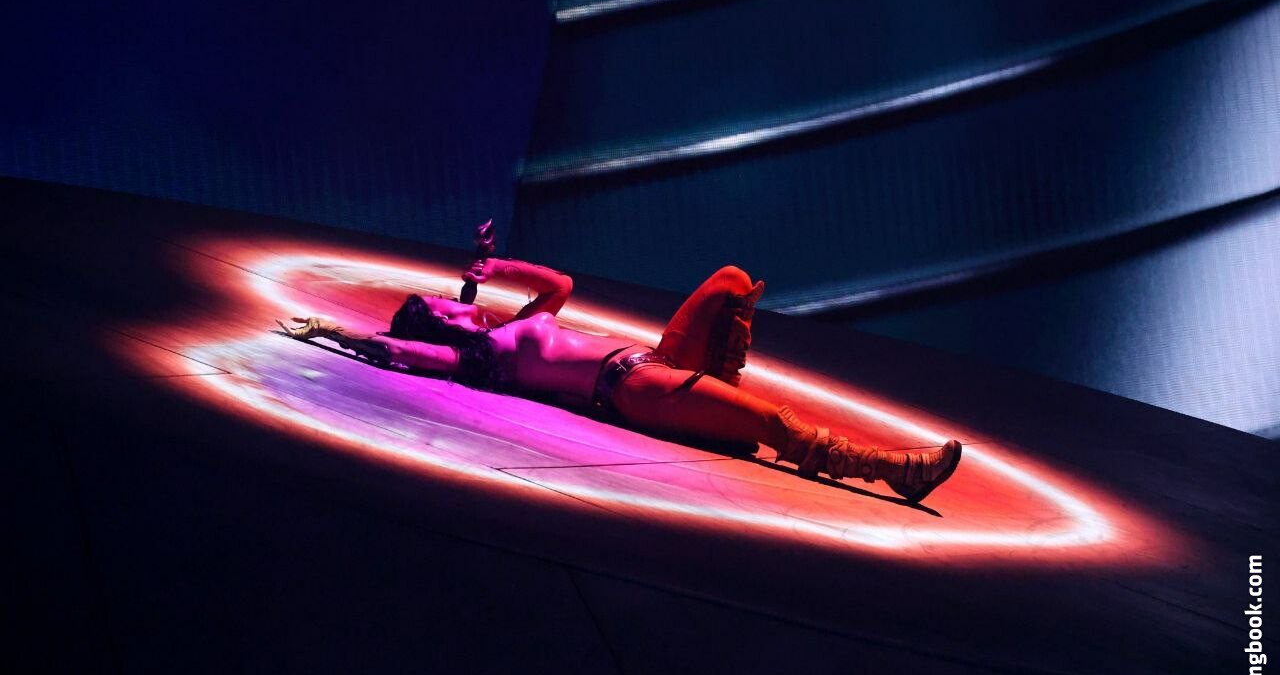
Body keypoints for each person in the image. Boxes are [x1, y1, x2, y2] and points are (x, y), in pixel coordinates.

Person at [279, 254, 961, 503]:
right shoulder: (483, 357)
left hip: (658, 361)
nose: (455, 303)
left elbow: (560, 283)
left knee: (730, 280)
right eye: (443, 307)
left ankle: (721, 408)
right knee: (775, 423)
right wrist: (337, 335)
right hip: (633, 390)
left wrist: (496, 268)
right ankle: (889, 470)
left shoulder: (518, 322)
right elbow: (407, 355)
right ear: (441, 326)